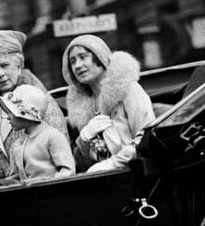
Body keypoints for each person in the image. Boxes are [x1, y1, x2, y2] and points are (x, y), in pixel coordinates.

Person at [0, 29, 66, 188]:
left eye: (5, 65)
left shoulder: (41, 104)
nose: (0, 73)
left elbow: (60, 154)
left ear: (19, 65)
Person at [62, 34, 154, 173]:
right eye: (73, 61)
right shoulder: (81, 108)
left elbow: (148, 139)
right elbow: (82, 166)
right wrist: (84, 139)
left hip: (138, 176)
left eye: (83, 57)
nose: (78, 66)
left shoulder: (128, 90)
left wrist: (113, 163)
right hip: (104, 183)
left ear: (100, 57)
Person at [0, 84, 74, 183]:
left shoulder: (53, 136)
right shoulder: (16, 144)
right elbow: (16, 178)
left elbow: (68, 171)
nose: (8, 117)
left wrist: (43, 183)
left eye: (11, 112)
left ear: (26, 113)